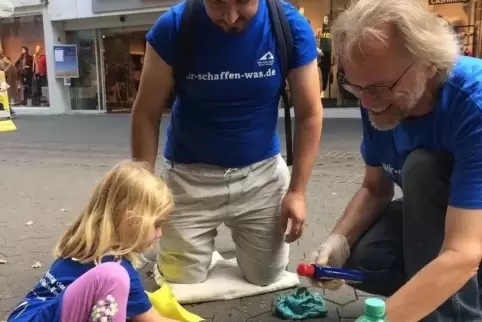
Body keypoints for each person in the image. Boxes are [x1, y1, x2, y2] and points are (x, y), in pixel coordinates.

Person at [310, 0, 482, 321]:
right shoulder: (373, 94)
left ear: (428, 63)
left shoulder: (472, 105)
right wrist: (338, 242)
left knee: (422, 168)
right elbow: (375, 189)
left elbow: (463, 251)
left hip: (473, 226)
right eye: (355, 88)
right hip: (454, 216)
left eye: (377, 88)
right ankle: (432, 293)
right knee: (367, 256)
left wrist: (384, 318)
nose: (367, 102)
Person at [131, 0, 322, 286]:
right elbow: (146, 113)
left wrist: (297, 191)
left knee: (265, 277)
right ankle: (199, 251)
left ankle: (228, 247)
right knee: (180, 281)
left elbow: (309, 113)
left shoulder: (290, 27)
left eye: (243, 2)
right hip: (188, 178)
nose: (231, 17)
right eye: (218, 2)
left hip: (262, 178)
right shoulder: (173, 26)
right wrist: (144, 190)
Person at [7, 161, 177, 322]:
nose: (159, 233)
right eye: (156, 224)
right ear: (131, 221)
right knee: (114, 277)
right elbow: (151, 319)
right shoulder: (116, 270)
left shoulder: (80, 250)